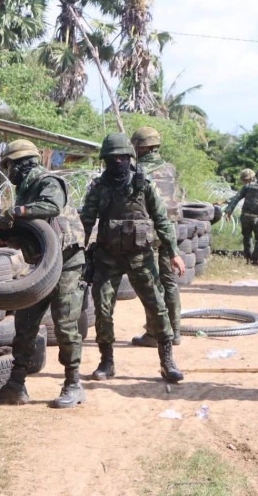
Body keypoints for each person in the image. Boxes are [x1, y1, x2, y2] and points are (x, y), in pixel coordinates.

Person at [0, 139, 87, 408]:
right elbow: (33, 230)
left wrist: (15, 212)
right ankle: (16, 386)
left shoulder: (47, 182)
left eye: (9, 166)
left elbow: (51, 207)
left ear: (20, 164)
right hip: (41, 266)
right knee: (25, 323)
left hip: (66, 262)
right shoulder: (25, 191)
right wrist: (7, 239)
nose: (8, 173)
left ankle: (73, 384)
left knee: (65, 324)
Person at [80, 133, 185, 383]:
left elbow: (161, 219)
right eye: (112, 157)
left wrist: (174, 253)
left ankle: (167, 361)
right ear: (105, 159)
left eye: (122, 157)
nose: (118, 161)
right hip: (107, 257)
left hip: (141, 257)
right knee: (103, 310)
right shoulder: (99, 187)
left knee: (157, 307)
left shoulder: (144, 184)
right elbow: (85, 221)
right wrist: (78, 253)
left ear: (130, 157)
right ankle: (107, 362)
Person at [128, 127, 183, 348]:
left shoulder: (136, 170)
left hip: (147, 231)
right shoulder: (170, 169)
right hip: (170, 229)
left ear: (139, 147)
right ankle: (174, 331)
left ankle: (154, 333)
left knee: (150, 283)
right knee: (169, 282)